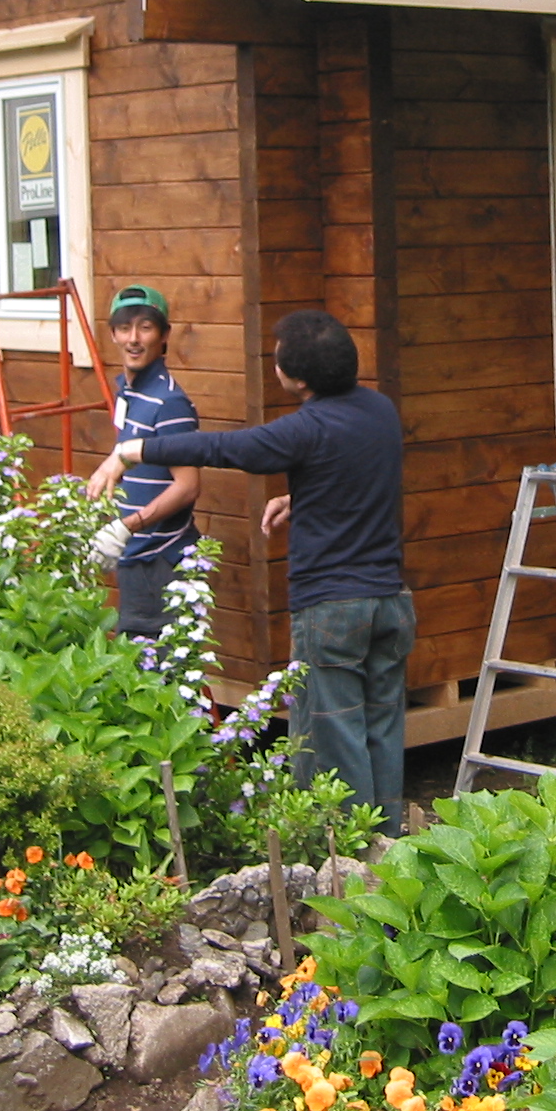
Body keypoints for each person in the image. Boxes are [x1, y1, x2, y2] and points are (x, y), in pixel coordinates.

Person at [116, 310, 410, 831]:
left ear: (297, 379)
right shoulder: (379, 410)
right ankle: (391, 845)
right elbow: (352, 469)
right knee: (382, 728)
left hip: (333, 611)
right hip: (391, 604)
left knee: (333, 738)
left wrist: (135, 450)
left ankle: (351, 856)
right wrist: (302, 498)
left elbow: (227, 448)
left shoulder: (306, 428)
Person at [83, 286, 204, 636]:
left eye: (145, 327)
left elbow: (188, 486)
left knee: (154, 662)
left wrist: (127, 526)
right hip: (135, 555)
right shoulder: (129, 392)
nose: (133, 339)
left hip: (161, 558)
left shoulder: (169, 402)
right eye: (124, 328)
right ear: (113, 334)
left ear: (164, 335)